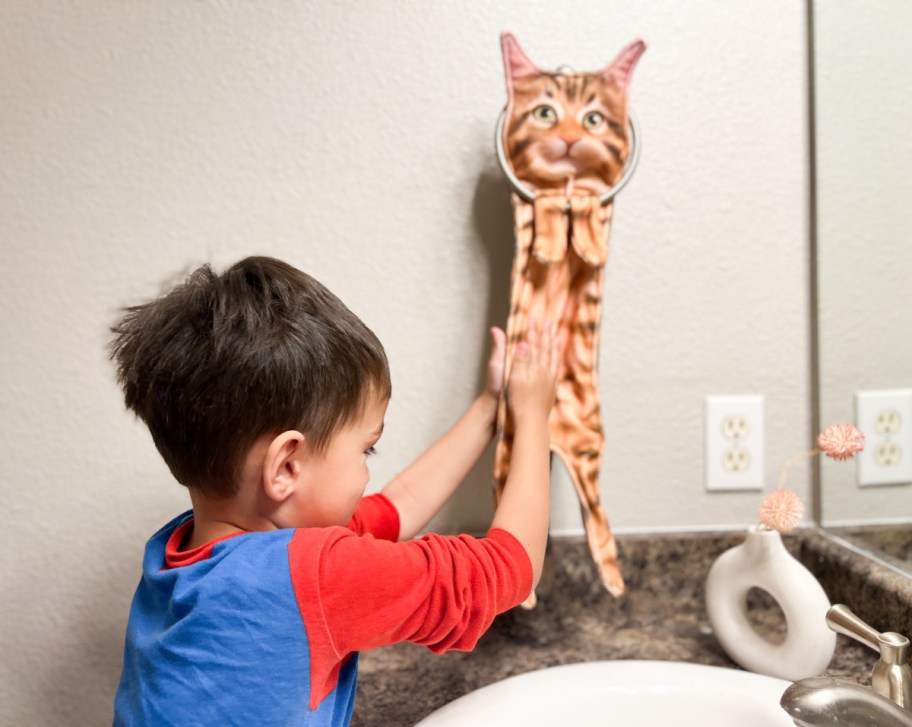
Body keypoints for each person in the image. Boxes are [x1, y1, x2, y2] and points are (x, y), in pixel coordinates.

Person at [109, 255, 560, 726]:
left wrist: (491, 407)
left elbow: (396, 507)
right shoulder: (315, 580)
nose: (367, 473)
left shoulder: (178, 557)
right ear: (285, 465)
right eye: (367, 451)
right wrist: (534, 418)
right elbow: (511, 568)